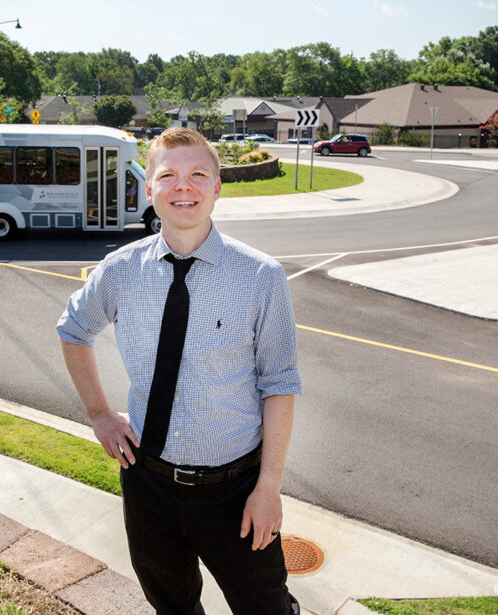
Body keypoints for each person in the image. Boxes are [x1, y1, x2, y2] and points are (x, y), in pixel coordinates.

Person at [57, 127, 302, 615]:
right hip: (148, 484)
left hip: (236, 491)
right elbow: (73, 329)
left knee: (267, 608)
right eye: (167, 175)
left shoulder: (261, 277)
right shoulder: (121, 270)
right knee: (172, 605)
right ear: (149, 189)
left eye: (198, 174)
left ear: (217, 187)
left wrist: (268, 489)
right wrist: (99, 414)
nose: (182, 186)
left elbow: (279, 385)